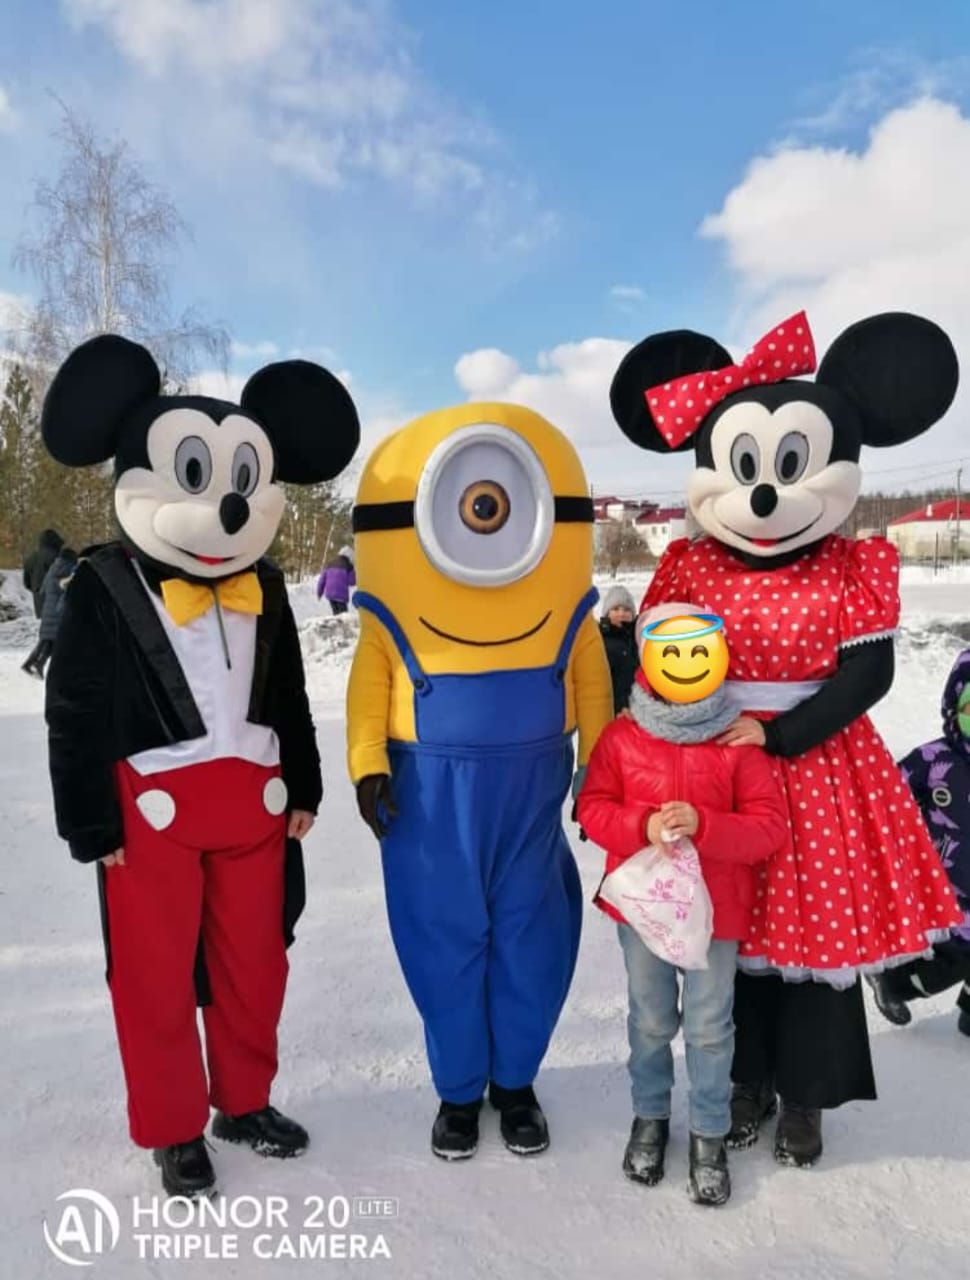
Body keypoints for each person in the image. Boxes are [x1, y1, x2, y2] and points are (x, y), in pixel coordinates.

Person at [608, 308, 961, 1166]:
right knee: (731, 934)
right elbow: (661, 660)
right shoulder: (689, 565)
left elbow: (868, 674)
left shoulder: (851, 565)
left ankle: (806, 1095)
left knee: (815, 934)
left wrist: (782, 733)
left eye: (792, 465)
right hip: (716, 768)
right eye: (743, 468)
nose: (765, 496)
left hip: (817, 764)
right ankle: (744, 1081)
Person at [41, 334, 359, 1198]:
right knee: (153, 976)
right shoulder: (103, 585)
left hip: (256, 806)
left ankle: (244, 1102)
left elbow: (287, 692)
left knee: (255, 965)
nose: (226, 506)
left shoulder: (267, 585)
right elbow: (72, 710)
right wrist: (90, 820)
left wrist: (305, 782)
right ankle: (173, 1125)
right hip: (150, 817)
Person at [347, 404, 612, 1161]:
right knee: (442, 938)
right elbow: (370, 681)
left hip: (531, 791)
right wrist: (368, 763)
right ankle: (459, 1091)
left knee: (533, 933)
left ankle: (516, 1083)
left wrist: (598, 765)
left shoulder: (571, 611)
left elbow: (592, 678)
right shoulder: (388, 618)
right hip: (428, 797)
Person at [579, 604, 787, 1206]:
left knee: (709, 1026)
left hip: (716, 914)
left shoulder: (737, 739)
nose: (686, 663)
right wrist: (641, 826)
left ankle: (708, 1134)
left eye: (698, 650)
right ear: (649, 658)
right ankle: (650, 1116)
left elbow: (768, 827)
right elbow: (593, 808)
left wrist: (707, 825)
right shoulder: (622, 736)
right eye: (671, 651)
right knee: (650, 1020)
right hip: (644, 910)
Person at [866, 648, 970, 1035]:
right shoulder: (933, 760)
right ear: (955, 708)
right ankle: (892, 982)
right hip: (945, 889)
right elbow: (887, 797)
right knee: (953, 960)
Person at [27, 545, 79, 678]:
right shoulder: (67, 567)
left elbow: (43, 589)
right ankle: (39, 665)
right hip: (57, 610)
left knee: (46, 640)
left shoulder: (53, 567)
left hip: (48, 608)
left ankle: (30, 663)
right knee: (52, 642)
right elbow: (64, 585)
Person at [21, 528, 64, 675]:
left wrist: (37, 592)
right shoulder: (56, 557)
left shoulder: (31, 559)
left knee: (49, 635)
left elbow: (26, 583)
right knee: (54, 635)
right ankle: (38, 663)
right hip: (55, 601)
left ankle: (34, 663)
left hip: (39, 602)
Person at [598, 585, 638, 713]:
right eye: (615, 609)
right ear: (607, 613)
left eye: (626, 609)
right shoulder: (599, 640)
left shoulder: (639, 638)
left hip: (639, 708)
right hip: (610, 709)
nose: (621, 613)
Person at [316, 545, 355, 615]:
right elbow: (351, 582)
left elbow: (322, 580)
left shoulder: (330, 563)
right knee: (343, 616)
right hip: (341, 595)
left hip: (330, 594)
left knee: (336, 614)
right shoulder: (349, 566)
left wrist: (319, 593)